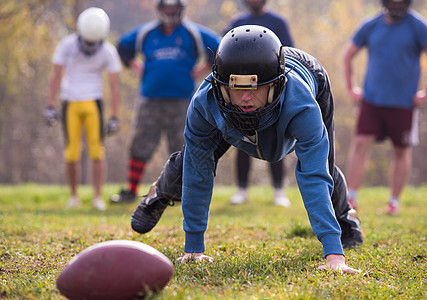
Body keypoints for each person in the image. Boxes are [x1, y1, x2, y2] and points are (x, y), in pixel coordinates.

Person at [130, 25, 363, 273]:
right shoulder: (205, 103)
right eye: (237, 88)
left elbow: (313, 175)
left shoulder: (302, 105)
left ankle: (344, 218)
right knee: (191, 162)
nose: (245, 98)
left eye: (253, 88)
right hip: (235, 111)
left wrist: (333, 255)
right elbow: (198, 170)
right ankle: (160, 192)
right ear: (221, 85)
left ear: (275, 86)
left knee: (322, 164)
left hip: (309, 74)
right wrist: (193, 248)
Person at [110, 0, 221, 203]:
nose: (170, 12)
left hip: (182, 101)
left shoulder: (193, 33)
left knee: (183, 147)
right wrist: (134, 64)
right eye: (166, 8)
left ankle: (182, 192)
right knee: (139, 144)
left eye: (174, 8)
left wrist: (203, 68)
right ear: (160, 9)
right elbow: (122, 45)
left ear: (181, 9)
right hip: (150, 100)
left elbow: (219, 47)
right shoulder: (146, 33)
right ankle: (131, 191)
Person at [344, 0, 427, 215]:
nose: (397, 5)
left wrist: (424, 94)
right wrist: (352, 88)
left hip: (403, 103)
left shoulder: (418, 26)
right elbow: (349, 54)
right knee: (361, 142)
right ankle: (351, 198)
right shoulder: (371, 25)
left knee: (401, 150)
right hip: (372, 100)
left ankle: (394, 202)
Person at [45, 7, 122, 211]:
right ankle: (74, 196)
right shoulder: (67, 45)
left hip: (93, 103)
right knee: (71, 153)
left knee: (97, 151)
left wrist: (114, 116)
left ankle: (97, 197)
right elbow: (56, 75)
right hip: (70, 102)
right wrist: (50, 105)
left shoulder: (107, 51)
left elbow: (114, 85)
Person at [225, 0, 294, 207]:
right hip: (242, 88)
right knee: (243, 137)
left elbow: (288, 52)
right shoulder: (237, 21)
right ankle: (242, 189)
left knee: (275, 137)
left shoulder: (277, 21)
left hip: (269, 89)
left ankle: (279, 190)